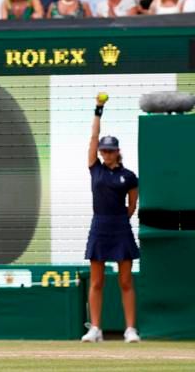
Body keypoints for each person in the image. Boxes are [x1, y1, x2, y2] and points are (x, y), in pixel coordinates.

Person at [81, 94, 140, 344]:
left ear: (118, 152)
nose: (106, 153)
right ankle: (95, 329)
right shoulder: (95, 168)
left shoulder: (129, 176)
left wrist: (120, 220)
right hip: (99, 225)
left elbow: (132, 205)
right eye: (103, 150)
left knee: (125, 280)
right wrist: (98, 111)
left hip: (120, 227)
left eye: (110, 150)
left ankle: (130, 330)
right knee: (96, 280)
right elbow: (93, 137)